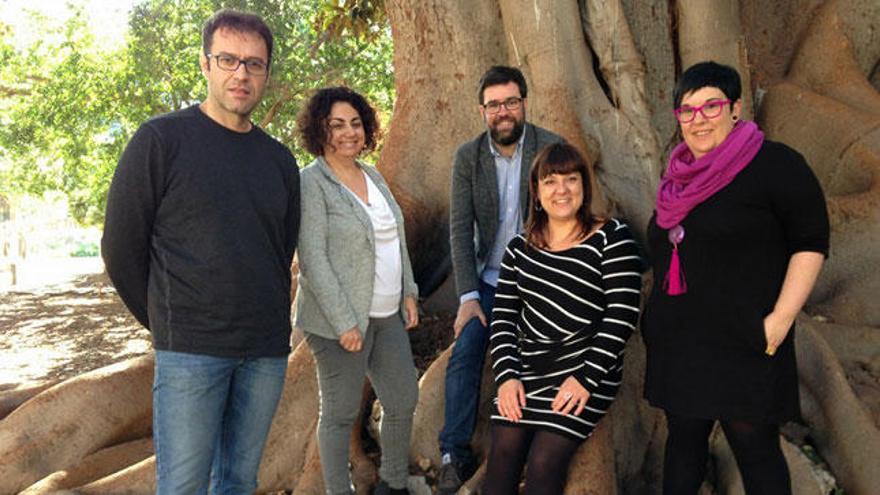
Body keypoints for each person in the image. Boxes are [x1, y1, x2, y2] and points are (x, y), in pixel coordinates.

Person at [101, 9, 300, 493]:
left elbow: (281, 249)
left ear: (266, 74)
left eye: (254, 64)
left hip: (264, 354)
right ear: (205, 64)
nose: (241, 73)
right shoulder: (161, 141)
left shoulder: (279, 160)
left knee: (237, 481)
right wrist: (167, 321)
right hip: (190, 351)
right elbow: (121, 246)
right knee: (183, 485)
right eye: (228, 59)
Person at [642, 61, 830, 494]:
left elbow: (810, 242)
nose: (698, 119)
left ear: (736, 108)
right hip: (681, 344)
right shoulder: (677, 177)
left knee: (756, 448)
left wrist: (781, 319)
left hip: (748, 338)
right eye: (687, 111)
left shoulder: (775, 165)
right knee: (683, 445)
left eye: (711, 106)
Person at [484, 142, 643, 494]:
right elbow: (503, 322)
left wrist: (585, 379)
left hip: (585, 370)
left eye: (571, 179)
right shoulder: (517, 250)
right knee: (504, 450)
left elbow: (622, 315)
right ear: (536, 192)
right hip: (527, 371)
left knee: (544, 460)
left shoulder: (610, 239)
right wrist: (507, 377)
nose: (562, 190)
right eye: (551, 181)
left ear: (584, 187)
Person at [440, 65, 563, 493]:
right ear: (482, 111)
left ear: (524, 103)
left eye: (511, 102)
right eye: (494, 105)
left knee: (542, 355)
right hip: (490, 283)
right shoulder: (467, 158)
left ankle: (534, 447)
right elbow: (459, 228)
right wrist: (468, 295)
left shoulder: (550, 147)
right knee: (467, 349)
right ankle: (454, 453)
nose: (503, 111)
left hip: (541, 281)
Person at [295, 86, 420, 495]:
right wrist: (344, 322)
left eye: (355, 123)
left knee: (402, 401)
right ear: (320, 130)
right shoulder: (311, 183)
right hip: (339, 324)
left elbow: (395, 238)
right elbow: (312, 258)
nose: (349, 132)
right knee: (339, 414)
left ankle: (393, 484)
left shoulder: (373, 175)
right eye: (336, 125)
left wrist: (409, 292)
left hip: (387, 316)